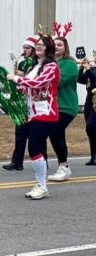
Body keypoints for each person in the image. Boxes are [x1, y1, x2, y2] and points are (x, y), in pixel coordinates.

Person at [7, 35, 60, 200]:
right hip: (31, 113)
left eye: (42, 45)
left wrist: (17, 79)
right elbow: (27, 89)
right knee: (36, 149)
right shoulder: (33, 67)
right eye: (37, 44)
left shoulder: (51, 67)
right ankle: (40, 184)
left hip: (46, 112)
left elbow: (38, 83)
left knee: (35, 147)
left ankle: (42, 186)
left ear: (48, 48)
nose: (38, 47)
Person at [3, 37, 37, 171]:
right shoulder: (22, 62)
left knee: (35, 137)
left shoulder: (36, 63)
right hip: (22, 101)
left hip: (33, 102)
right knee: (19, 133)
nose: (24, 50)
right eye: (24, 48)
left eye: (27, 48)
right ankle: (17, 162)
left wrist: (22, 76)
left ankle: (42, 162)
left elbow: (34, 79)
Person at [47, 37, 78, 181]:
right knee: (59, 135)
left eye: (60, 44)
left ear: (66, 47)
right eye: (55, 44)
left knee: (54, 133)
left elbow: (57, 82)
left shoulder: (70, 64)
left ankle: (64, 166)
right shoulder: (50, 63)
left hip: (66, 106)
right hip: (53, 106)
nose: (57, 46)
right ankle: (63, 167)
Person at [77, 54, 96, 166]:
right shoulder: (92, 69)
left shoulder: (92, 71)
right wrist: (81, 67)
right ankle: (93, 156)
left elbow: (94, 82)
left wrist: (88, 70)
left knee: (91, 126)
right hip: (89, 101)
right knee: (90, 131)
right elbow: (80, 80)